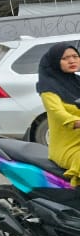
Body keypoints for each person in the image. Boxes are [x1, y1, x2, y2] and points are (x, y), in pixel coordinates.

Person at [36, 42, 80, 184]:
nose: (72, 61)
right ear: (55, 62)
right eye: (65, 58)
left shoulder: (77, 82)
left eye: (75, 56)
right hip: (68, 147)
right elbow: (58, 113)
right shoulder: (48, 88)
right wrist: (76, 122)